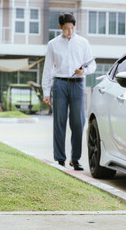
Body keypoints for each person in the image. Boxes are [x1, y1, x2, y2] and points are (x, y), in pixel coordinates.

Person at [42, 13, 96, 171]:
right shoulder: (53, 44)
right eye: (66, 29)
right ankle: (59, 159)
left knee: (78, 123)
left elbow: (93, 66)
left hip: (78, 84)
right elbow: (47, 69)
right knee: (59, 123)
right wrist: (46, 91)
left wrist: (83, 71)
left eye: (72, 28)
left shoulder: (83, 43)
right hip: (59, 84)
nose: (70, 32)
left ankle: (75, 158)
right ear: (60, 27)